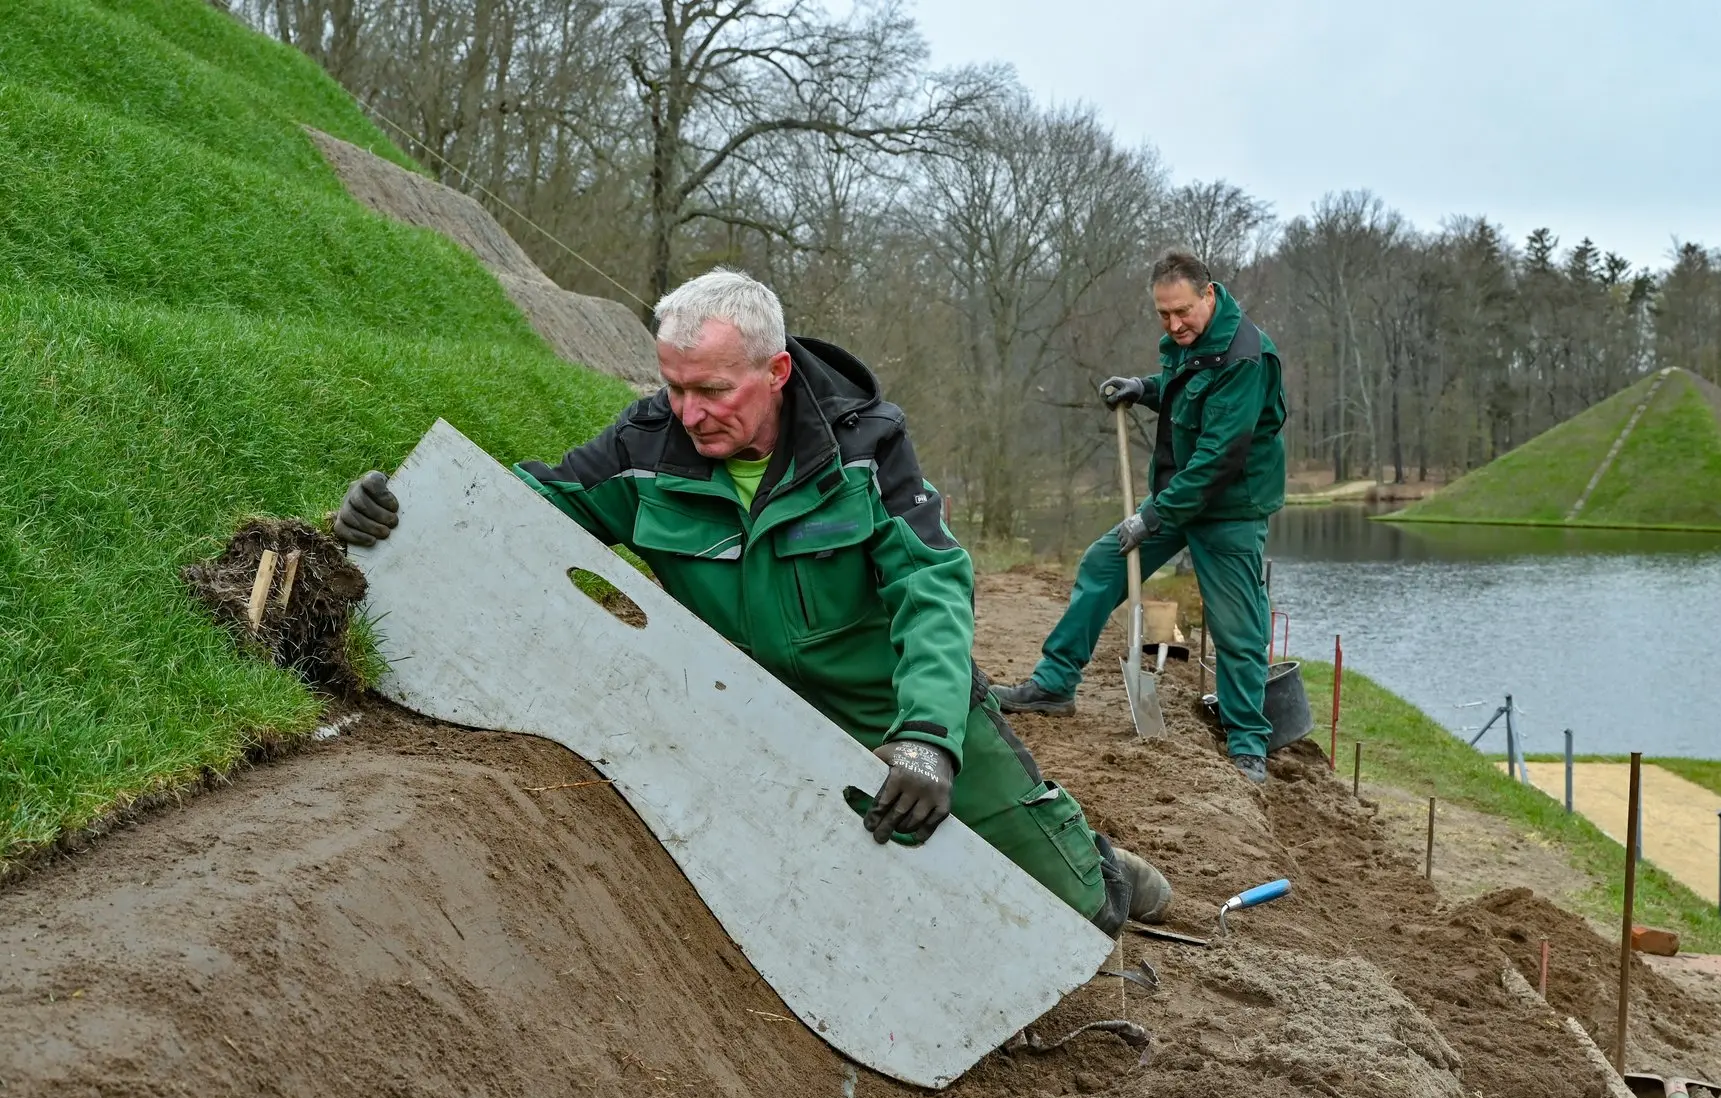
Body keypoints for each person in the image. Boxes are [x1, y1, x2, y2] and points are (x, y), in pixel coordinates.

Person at [334, 268, 1170, 934]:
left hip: (885, 704)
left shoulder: (866, 448)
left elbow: (932, 589)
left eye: (713, 392)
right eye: (674, 388)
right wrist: (402, 511)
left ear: (773, 373)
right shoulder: (644, 447)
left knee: (1077, 912)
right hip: (746, 715)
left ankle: (1098, 863)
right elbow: (522, 514)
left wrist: (924, 741)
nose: (689, 414)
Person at [994, 249, 1288, 784]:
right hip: (1178, 497)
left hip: (1228, 508)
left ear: (1209, 294)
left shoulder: (1246, 357)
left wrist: (1152, 516)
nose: (1174, 324)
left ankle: (1248, 744)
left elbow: (1218, 458)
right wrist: (1145, 388)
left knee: (1237, 628)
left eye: (1182, 312)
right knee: (1103, 566)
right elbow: (1186, 392)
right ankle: (1055, 683)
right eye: (1163, 314)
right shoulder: (1190, 342)